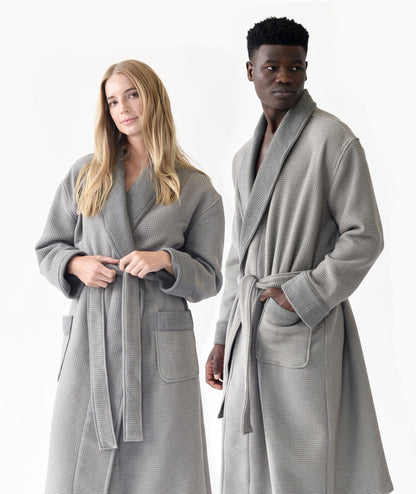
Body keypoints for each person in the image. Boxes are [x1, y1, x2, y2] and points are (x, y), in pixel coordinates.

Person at [206, 17, 393, 494]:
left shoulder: (333, 139)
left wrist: (302, 294)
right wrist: (224, 335)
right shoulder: (243, 157)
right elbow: (238, 256)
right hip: (250, 325)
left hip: (302, 321)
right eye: (272, 67)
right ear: (251, 71)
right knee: (249, 462)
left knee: (304, 460)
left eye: (296, 66)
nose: (284, 77)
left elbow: (364, 236)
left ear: (307, 70)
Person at [36, 59, 224, 494]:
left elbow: (210, 277)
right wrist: (75, 264)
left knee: (164, 475)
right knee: (73, 472)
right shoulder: (85, 174)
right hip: (92, 341)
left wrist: (166, 261)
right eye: (113, 101)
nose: (123, 108)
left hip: (157, 351)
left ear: (153, 98)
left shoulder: (195, 187)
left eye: (132, 95)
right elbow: (48, 247)